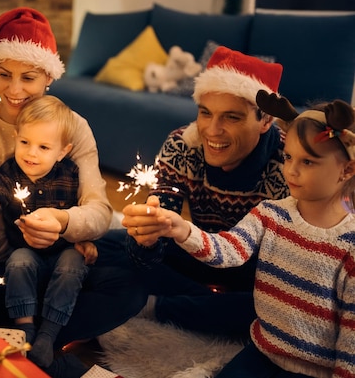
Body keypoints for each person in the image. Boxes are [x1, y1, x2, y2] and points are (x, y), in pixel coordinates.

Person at [0, 7, 147, 373]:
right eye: (4, 75)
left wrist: (63, 221)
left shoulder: (73, 127)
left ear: (48, 77)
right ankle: (35, 342)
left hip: (58, 263)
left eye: (28, 77)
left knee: (130, 281)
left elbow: (99, 212)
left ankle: (16, 341)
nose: (14, 89)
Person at [136, 94, 355, 377]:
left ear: (347, 170)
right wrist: (183, 229)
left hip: (315, 371)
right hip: (262, 352)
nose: (291, 170)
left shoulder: (349, 245)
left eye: (308, 162)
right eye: (288, 157)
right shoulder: (271, 213)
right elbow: (229, 249)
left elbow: (351, 337)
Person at [122, 46, 291, 338]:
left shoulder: (289, 163)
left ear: (265, 121)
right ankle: (203, 304)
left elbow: (285, 273)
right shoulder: (181, 145)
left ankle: (165, 307)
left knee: (277, 310)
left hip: (255, 275)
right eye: (205, 113)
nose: (212, 130)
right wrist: (146, 238)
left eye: (232, 117)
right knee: (110, 246)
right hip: (197, 251)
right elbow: (159, 239)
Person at [0, 95, 96, 368]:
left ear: (62, 151)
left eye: (44, 147)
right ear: (16, 137)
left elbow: (83, 210)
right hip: (25, 252)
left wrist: (84, 238)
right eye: (24, 142)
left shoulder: (70, 174)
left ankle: (48, 335)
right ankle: (25, 331)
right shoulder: (10, 172)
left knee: (75, 264)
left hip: (64, 251)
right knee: (18, 261)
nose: (31, 153)